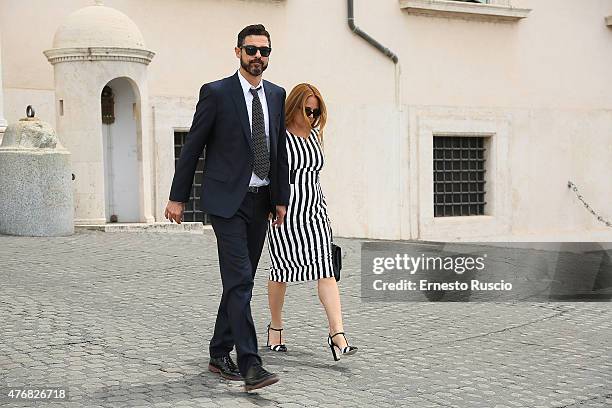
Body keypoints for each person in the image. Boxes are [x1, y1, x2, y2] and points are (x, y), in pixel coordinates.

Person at [165, 24, 289, 391]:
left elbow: (279, 151)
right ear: (237, 52)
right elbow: (193, 146)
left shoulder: (277, 95)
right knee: (239, 281)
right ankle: (251, 365)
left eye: (264, 51)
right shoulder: (217, 93)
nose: (258, 58)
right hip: (226, 204)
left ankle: (220, 352)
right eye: (251, 50)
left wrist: (280, 198)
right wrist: (177, 196)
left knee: (241, 283)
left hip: (261, 201)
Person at [265, 84, 357, 361]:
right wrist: (271, 206)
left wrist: (326, 214)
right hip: (284, 213)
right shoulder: (279, 136)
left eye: (317, 111)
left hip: (315, 211)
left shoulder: (315, 136)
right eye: (308, 110)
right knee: (280, 272)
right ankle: (276, 326)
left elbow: (314, 176)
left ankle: (337, 335)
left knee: (326, 269)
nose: (313, 116)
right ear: (294, 108)